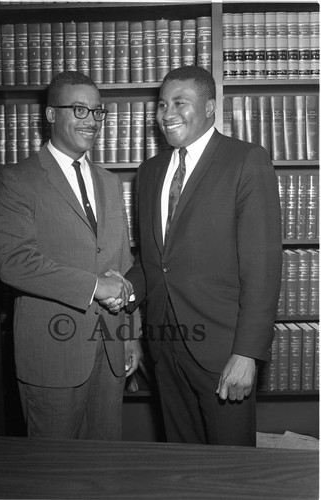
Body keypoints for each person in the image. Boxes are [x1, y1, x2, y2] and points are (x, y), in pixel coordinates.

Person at [108, 65, 282, 446]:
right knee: (181, 464)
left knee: (230, 470)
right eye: (161, 104)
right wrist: (123, 288)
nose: (167, 114)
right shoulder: (149, 173)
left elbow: (263, 268)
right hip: (165, 350)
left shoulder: (246, 161)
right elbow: (156, 262)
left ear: (210, 108)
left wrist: (246, 353)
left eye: (180, 103)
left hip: (223, 352)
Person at [0, 71, 141, 440]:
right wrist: (95, 287)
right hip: (52, 356)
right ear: (50, 114)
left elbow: (122, 262)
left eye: (97, 111)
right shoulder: (17, 179)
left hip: (109, 350)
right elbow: (14, 262)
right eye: (79, 109)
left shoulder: (108, 181)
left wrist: (131, 336)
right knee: (52, 475)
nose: (91, 120)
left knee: (104, 468)